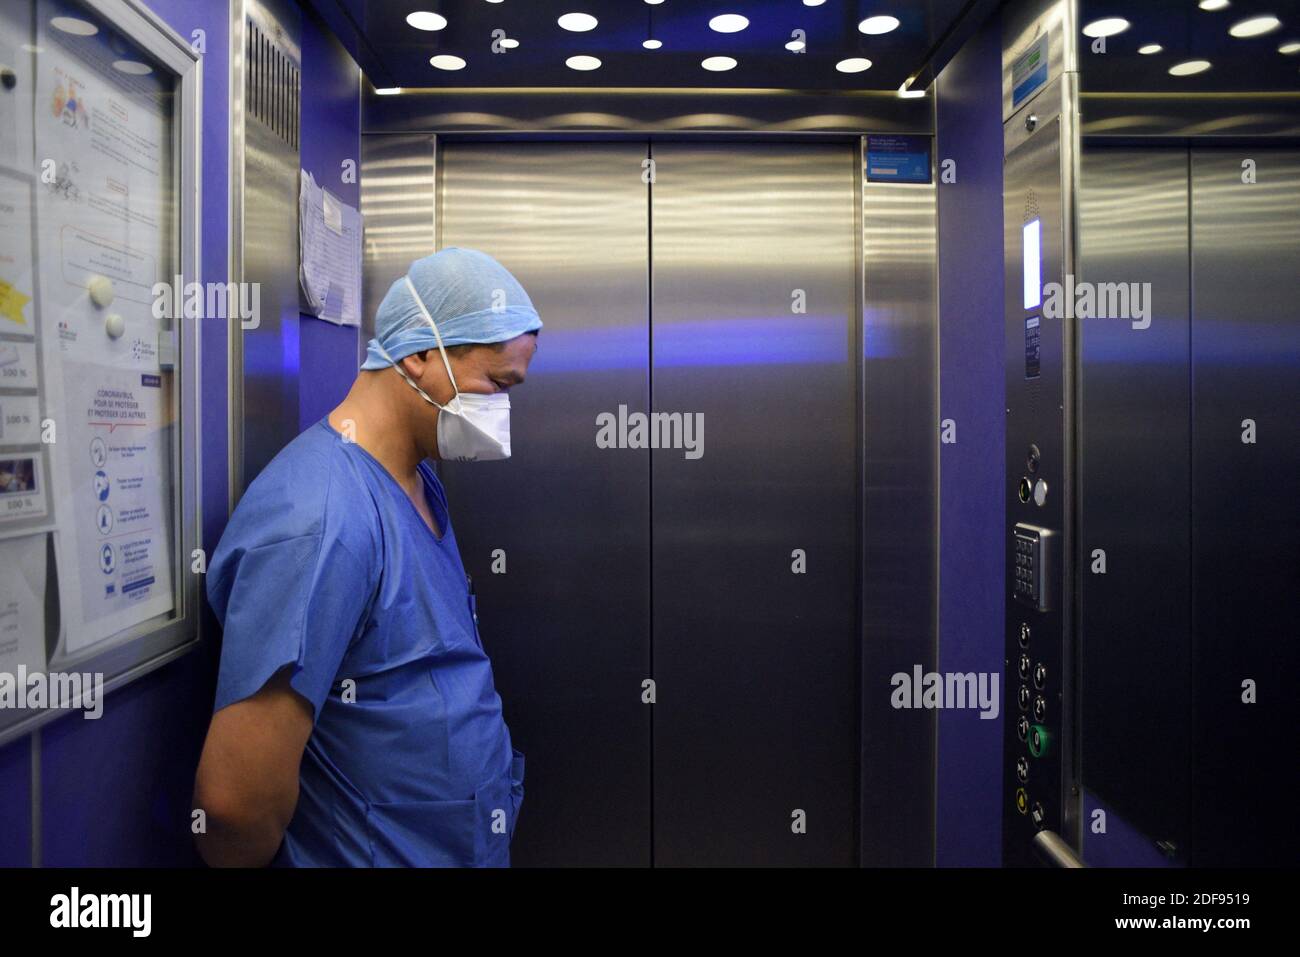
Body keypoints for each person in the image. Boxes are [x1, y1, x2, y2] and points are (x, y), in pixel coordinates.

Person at [193, 247, 541, 867]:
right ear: (420, 354)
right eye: (497, 383)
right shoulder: (320, 519)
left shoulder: (415, 476)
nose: (501, 410)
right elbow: (232, 805)